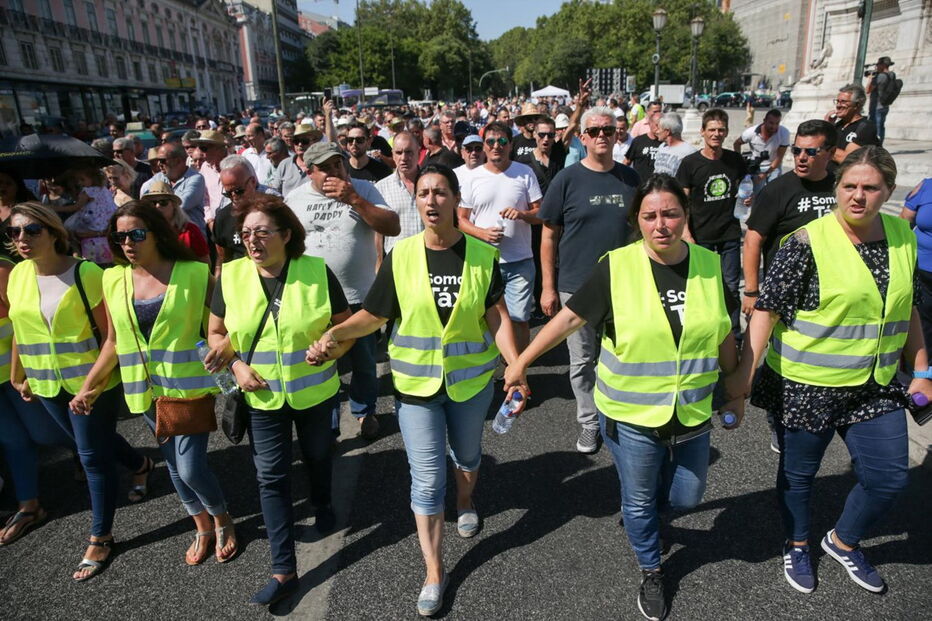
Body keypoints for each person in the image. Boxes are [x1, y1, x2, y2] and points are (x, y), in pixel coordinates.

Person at [508, 174, 742, 621]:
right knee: (638, 501)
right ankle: (652, 568)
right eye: (650, 215)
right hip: (630, 413)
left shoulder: (709, 264)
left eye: (671, 213)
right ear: (637, 219)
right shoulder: (617, 265)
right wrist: (522, 360)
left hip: (691, 412)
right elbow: (570, 319)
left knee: (686, 497)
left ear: (685, 216)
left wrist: (735, 388)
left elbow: (724, 331)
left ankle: (645, 519)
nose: (661, 224)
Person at [308, 164, 527, 617]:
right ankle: (434, 571)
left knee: (467, 458)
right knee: (427, 483)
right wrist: (336, 337)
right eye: (424, 193)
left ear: (454, 199)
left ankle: (465, 501)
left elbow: (496, 316)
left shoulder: (482, 257)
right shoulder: (402, 256)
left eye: (440, 192)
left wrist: (516, 365)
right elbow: (373, 315)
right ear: (419, 201)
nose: (431, 200)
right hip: (416, 388)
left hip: (468, 386)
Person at [732, 146, 921, 596]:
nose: (858, 196)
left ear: (889, 191)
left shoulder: (901, 234)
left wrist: (922, 368)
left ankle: (842, 540)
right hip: (807, 385)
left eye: (870, 188)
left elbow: (907, 307)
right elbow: (766, 312)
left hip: (875, 387)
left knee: (889, 477)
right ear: (836, 188)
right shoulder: (806, 242)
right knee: (799, 477)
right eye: (849, 186)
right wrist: (743, 376)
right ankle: (797, 543)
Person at [71, 202, 237, 566]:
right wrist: (89, 387)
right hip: (144, 392)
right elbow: (113, 343)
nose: (127, 242)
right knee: (175, 468)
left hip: (189, 387)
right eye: (120, 236)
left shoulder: (194, 272)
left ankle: (222, 517)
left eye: (136, 234)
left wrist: (225, 346)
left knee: (191, 467)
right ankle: (201, 526)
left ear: (157, 234)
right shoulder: (112, 278)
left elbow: (224, 322)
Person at [207, 195, 350, 605]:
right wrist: (235, 366)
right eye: (246, 233)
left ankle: (322, 500)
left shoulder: (317, 272)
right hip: (261, 396)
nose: (252, 241)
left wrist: (329, 346)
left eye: (262, 232)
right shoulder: (231, 276)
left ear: (286, 235)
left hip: (315, 393)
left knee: (318, 456)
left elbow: (347, 328)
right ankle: (283, 569)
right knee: (270, 476)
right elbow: (216, 333)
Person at [6, 202, 152, 581]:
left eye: (31, 230)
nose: (21, 239)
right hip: (46, 382)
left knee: (91, 458)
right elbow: (21, 327)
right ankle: (139, 464)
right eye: (14, 232)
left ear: (53, 232)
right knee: (86, 443)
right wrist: (17, 374)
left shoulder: (87, 273)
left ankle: (100, 536)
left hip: (92, 384)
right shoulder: (19, 275)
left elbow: (112, 339)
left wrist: (89, 387)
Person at [539, 106, 640, 454]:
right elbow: (549, 236)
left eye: (608, 130)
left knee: (622, 356)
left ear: (617, 134)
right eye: (594, 131)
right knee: (582, 361)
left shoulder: (631, 179)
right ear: (582, 137)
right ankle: (589, 422)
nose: (601, 136)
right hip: (576, 286)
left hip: (625, 286)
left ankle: (619, 415)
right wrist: (548, 287)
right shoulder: (566, 180)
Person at [285, 141, 398, 439]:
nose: (335, 171)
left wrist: (356, 200)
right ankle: (328, 421)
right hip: (312, 298)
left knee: (363, 362)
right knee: (321, 361)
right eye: (326, 168)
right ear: (309, 171)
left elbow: (392, 226)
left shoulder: (362, 189)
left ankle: (364, 412)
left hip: (357, 297)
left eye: (339, 164)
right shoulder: (294, 199)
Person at [0, 250, 75, 545]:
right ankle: (29, 506)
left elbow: (22, 325)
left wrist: (22, 372)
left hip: (13, 372)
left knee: (44, 433)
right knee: (12, 441)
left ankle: (103, 455)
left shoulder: (3, 271)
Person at [457, 121, 542, 351]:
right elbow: (460, 219)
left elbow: (541, 213)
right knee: (486, 318)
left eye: (502, 141)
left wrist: (523, 214)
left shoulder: (524, 173)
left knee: (519, 319)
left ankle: (518, 367)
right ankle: (494, 363)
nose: (497, 146)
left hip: (520, 261)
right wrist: (482, 233)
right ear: (484, 146)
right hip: (484, 262)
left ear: (510, 145)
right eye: (491, 141)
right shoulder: (472, 178)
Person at [742, 120, 838, 317]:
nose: (801, 158)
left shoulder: (842, 185)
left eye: (811, 152)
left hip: (833, 287)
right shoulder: (776, 191)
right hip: (786, 291)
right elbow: (753, 240)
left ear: (831, 152)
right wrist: (752, 291)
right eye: (796, 151)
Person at [676, 109, 748, 332]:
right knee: (701, 287)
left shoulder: (735, 160)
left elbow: (746, 187)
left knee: (731, 287)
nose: (716, 134)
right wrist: (686, 233)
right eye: (712, 130)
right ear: (703, 132)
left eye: (721, 130)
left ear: (726, 133)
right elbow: (683, 201)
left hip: (729, 233)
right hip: (701, 234)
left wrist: (748, 197)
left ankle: (733, 335)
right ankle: (703, 331)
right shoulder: (690, 163)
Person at [213, 156, 281, 271]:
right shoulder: (223, 217)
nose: (234, 197)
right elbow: (222, 257)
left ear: (253, 182)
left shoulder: (275, 210)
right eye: (228, 194)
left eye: (239, 191)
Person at [375, 131, 423, 261]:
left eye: (409, 152)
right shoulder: (381, 188)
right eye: (399, 153)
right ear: (393, 155)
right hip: (397, 260)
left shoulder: (432, 182)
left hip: (428, 259)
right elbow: (378, 233)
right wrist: (379, 263)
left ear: (418, 152)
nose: (404, 157)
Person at [141, 143, 208, 235]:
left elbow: (182, 204)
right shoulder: (157, 178)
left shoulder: (196, 178)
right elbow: (144, 202)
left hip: (190, 235)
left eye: (162, 160)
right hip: (164, 236)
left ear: (178, 161)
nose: (159, 164)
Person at [140, 181, 210, 262]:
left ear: (173, 205)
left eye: (163, 202)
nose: (157, 206)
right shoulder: (145, 230)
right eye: (152, 203)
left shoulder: (190, 230)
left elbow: (205, 262)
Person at [900, 177, 932, 354]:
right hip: (922, 270)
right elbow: (905, 220)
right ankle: (925, 372)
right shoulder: (926, 186)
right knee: (923, 324)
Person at [62, 166, 118, 266]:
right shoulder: (104, 190)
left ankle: (77, 262)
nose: (80, 183)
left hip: (92, 228)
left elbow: (76, 207)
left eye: (82, 179)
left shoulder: (88, 191)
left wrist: (54, 208)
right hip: (104, 226)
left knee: (70, 232)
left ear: (93, 178)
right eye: (78, 180)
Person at [733, 108, 790, 198]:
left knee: (774, 193)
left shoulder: (784, 133)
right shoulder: (750, 132)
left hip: (774, 164)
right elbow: (737, 143)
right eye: (771, 123)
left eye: (777, 123)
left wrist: (766, 173)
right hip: (757, 166)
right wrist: (739, 161)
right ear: (764, 121)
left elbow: (779, 157)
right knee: (755, 195)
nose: (774, 127)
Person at [826, 84, 878, 169]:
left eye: (843, 102)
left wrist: (822, 147)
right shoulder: (837, 126)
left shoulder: (865, 127)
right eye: (837, 101)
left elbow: (846, 159)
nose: (838, 106)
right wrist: (827, 127)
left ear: (857, 105)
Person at [269, 125, 319, 198]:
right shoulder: (284, 164)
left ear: (314, 142)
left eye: (304, 141)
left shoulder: (322, 164)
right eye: (296, 141)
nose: (300, 144)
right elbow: (275, 192)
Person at [191, 130, 228, 227]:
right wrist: (209, 219)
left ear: (218, 148)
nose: (201, 153)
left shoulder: (237, 165)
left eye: (203, 148)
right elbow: (204, 197)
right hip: (214, 224)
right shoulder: (205, 167)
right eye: (199, 148)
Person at [652, 112, 697, 177]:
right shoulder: (662, 147)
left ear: (667, 132)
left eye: (659, 128)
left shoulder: (689, 152)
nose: (656, 131)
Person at [624, 110, 663, 181]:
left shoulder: (664, 143)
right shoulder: (638, 141)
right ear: (649, 123)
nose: (659, 129)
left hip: (657, 186)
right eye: (657, 125)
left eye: (662, 126)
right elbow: (627, 161)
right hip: (639, 185)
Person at [866, 56, 895, 145]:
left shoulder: (880, 76)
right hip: (885, 105)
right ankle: (879, 145)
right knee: (881, 127)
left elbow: (868, 90)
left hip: (876, 107)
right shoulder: (892, 74)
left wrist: (870, 79)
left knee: (875, 128)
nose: (877, 67)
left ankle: (876, 146)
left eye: (878, 65)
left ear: (883, 65)